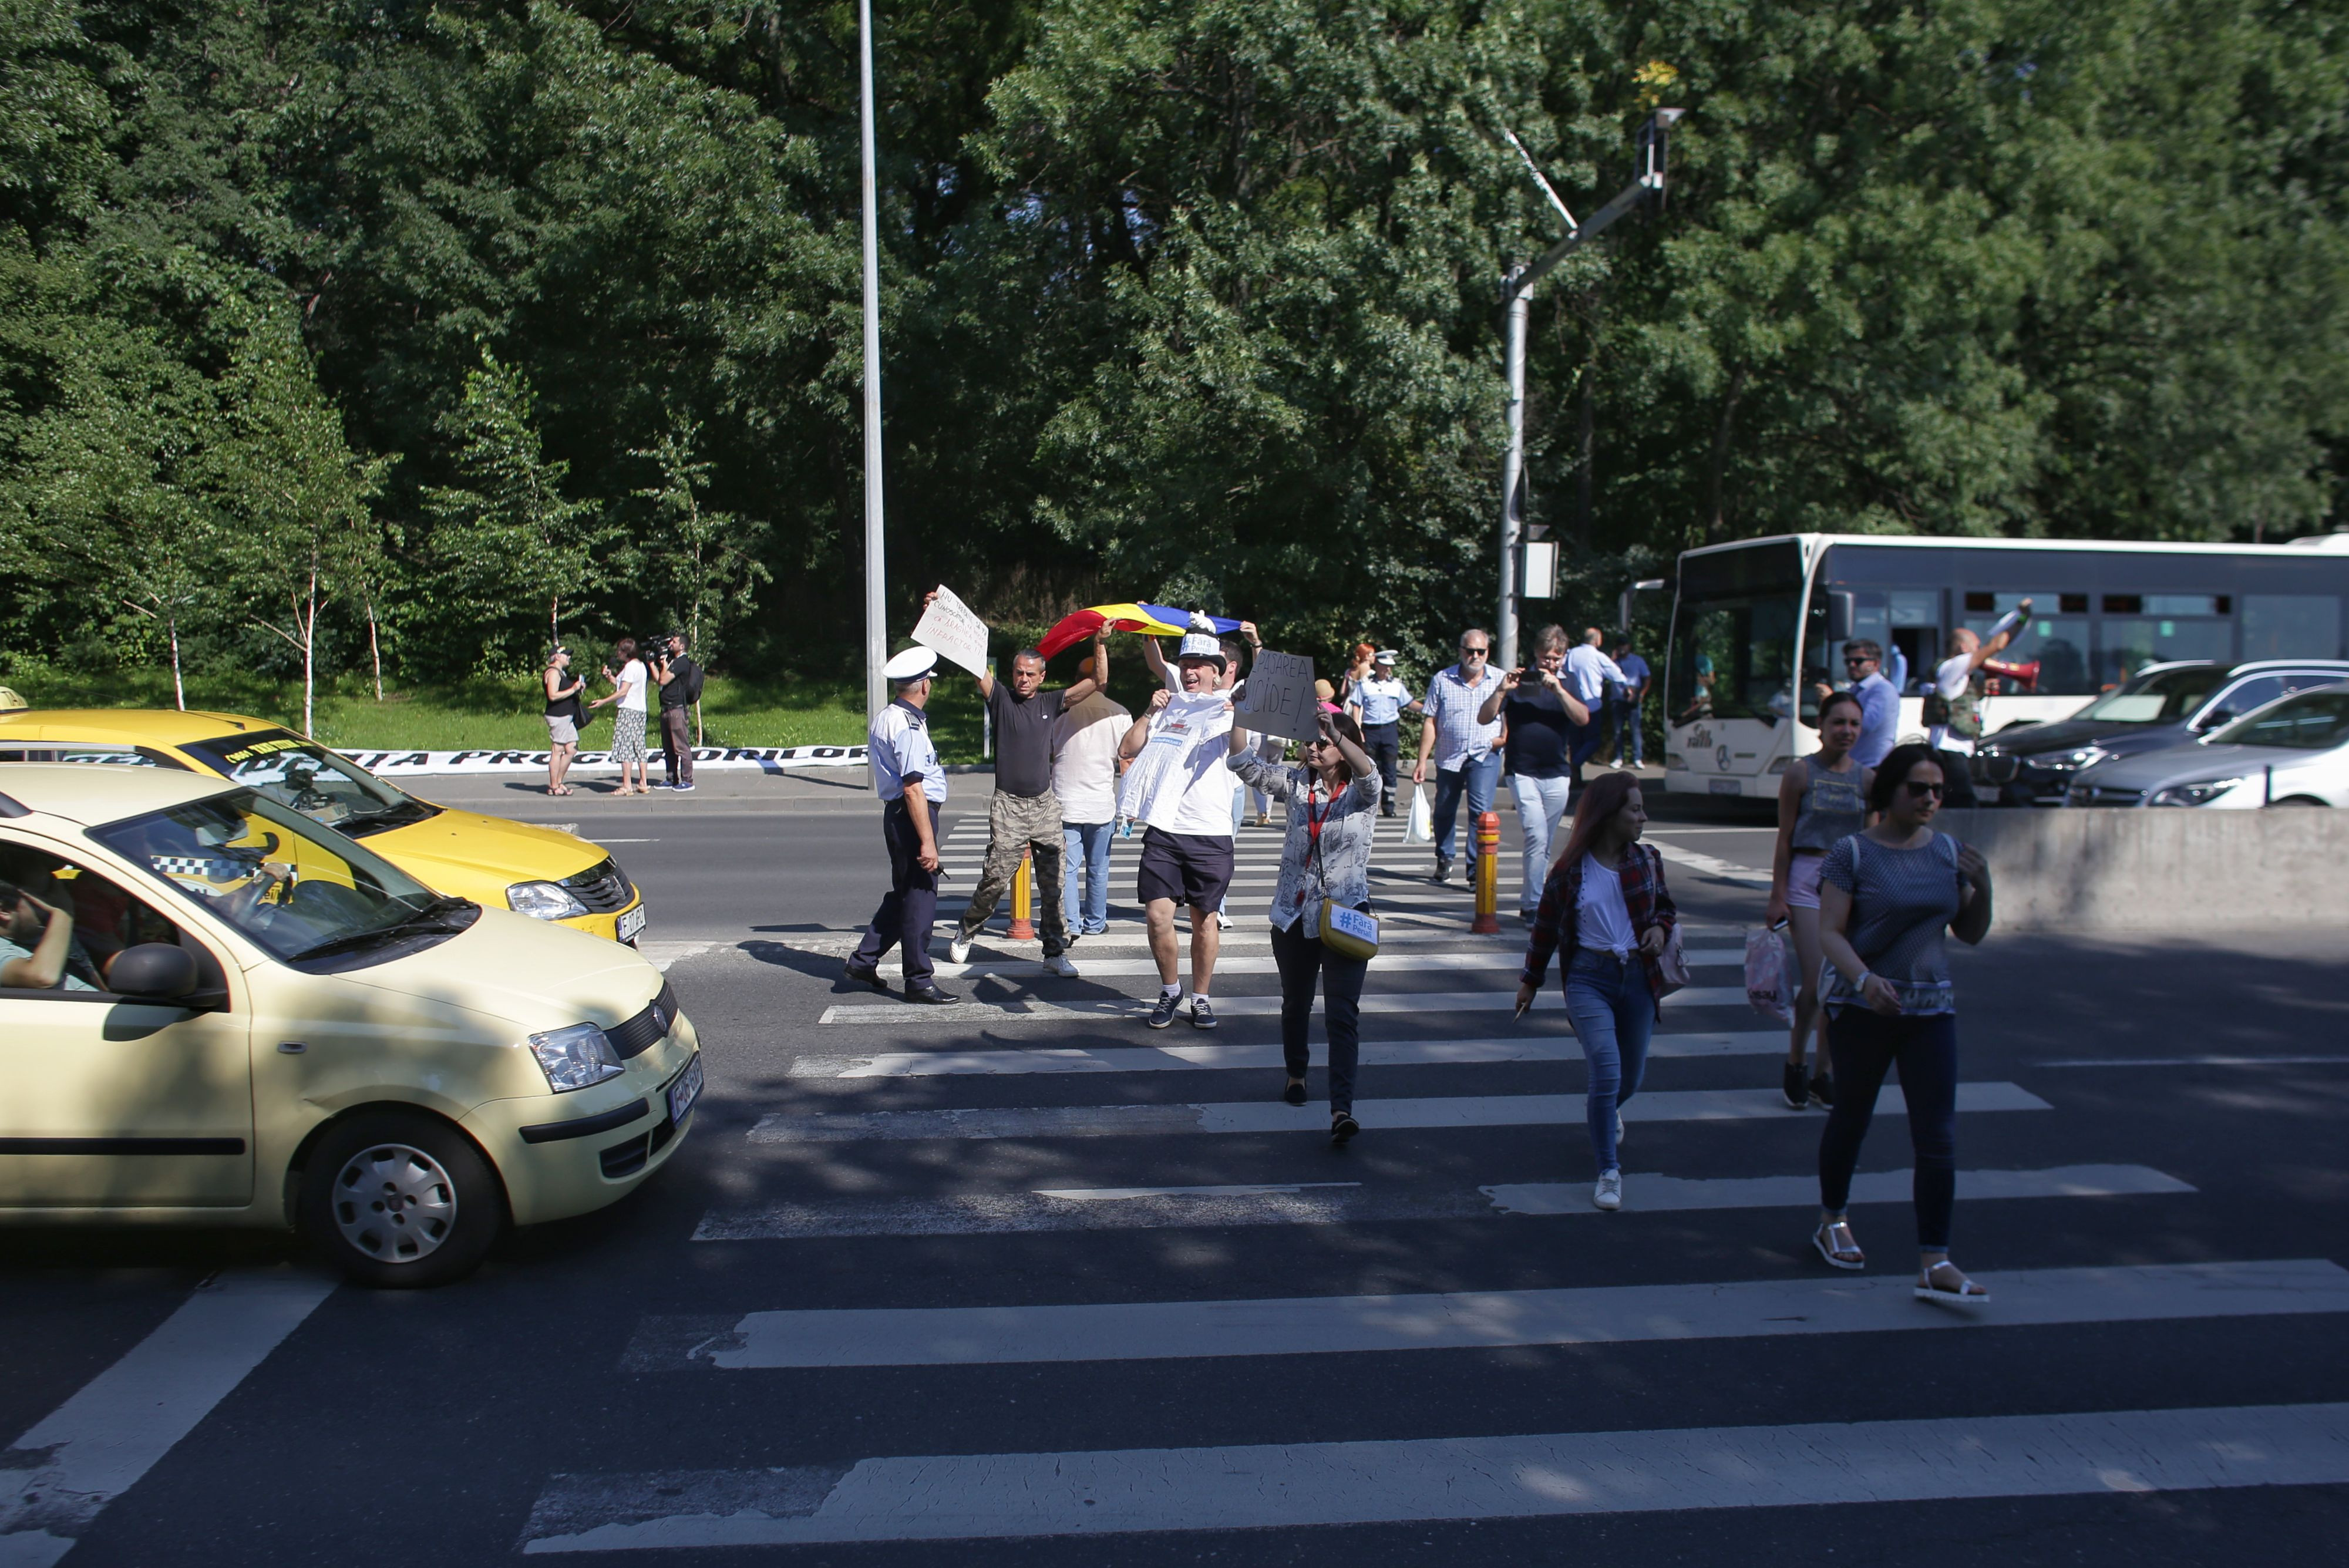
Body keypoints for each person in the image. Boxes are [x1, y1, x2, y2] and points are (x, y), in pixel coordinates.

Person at [1811, 744, 1996, 1304]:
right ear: (1890, 790)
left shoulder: (1949, 853)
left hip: (1930, 1010)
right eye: (1919, 788)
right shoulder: (1852, 853)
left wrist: (1983, 883)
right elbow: (1830, 932)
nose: (1930, 798)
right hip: (1864, 1007)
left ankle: (1934, 1259)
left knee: (1937, 1138)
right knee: (1852, 1119)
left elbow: (1971, 932)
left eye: (1937, 789)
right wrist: (1866, 981)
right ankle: (1832, 1220)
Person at [1514, 771, 1677, 1212]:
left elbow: (1665, 908)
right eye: (1636, 809)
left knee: (1631, 1078)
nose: (1644, 817)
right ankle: (1609, 1170)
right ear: (1609, 815)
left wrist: (1660, 932)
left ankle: (1607, 1112)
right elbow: (1545, 928)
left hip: (1639, 979)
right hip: (1589, 978)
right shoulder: (1569, 872)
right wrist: (1531, 981)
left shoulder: (1647, 859)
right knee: (1606, 1074)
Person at [1228, 707, 1381, 1145]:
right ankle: (1296, 1072)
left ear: (1343, 747)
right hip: (1293, 915)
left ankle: (1341, 1109)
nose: (1313, 748)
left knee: (1342, 1016)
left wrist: (1337, 730)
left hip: (1347, 914)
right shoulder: (1296, 785)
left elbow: (1370, 776)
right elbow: (1243, 764)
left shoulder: (1360, 793)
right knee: (1296, 1003)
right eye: (1310, 741)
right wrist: (1242, 713)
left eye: (1324, 742)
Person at [938, 611, 1108, 977]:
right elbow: (973, 664)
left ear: (1042, 677)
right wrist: (943, 614)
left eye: (1031, 674)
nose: (1024, 679)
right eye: (1019, 672)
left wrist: (1099, 642)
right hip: (1009, 805)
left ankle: (1054, 953)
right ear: (1012, 673)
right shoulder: (1000, 699)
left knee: (1054, 884)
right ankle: (967, 930)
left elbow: (1098, 679)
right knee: (996, 877)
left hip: (1045, 805)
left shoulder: (1051, 703)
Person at [1119, 620, 1244, 1028]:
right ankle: (1171, 990)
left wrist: (1239, 716)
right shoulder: (1169, 705)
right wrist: (1150, 711)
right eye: (1185, 663)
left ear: (1217, 670)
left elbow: (1245, 755)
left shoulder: (1231, 710)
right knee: (1157, 916)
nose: (1190, 671)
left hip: (1210, 831)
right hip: (1164, 829)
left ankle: (1201, 997)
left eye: (1199, 665)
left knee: (1204, 919)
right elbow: (1127, 748)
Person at [1766, 691, 1871, 1111]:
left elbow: (1874, 841)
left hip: (1850, 886)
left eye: (1854, 724)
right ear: (1822, 726)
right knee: (1817, 981)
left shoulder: (1868, 780)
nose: (1846, 731)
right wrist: (1777, 894)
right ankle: (1796, 1060)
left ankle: (1822, 1073)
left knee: (1839, 986)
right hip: (1806, 883)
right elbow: (1785, 837)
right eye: (1838, 723)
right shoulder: (1800, 774)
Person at [845, 648, 958, 1004]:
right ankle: (919, 980)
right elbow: (913, 788)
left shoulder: (888, 716)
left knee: (905, 894)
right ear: (924, 685)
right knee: (921, 896)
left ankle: (864, 960)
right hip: (912, 816)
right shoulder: (908, 726)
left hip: (898, 816)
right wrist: (928, 842)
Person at [1478, 625, 1591, 923]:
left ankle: (1540, 899)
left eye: (1556, 659)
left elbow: (1583, 718)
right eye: (1545, 659)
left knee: (1545, 842)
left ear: (1563, 658)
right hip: (1522, 770)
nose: (1550, 665)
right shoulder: (1520, 682)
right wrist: (1502, 689)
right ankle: (1532, 905)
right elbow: (1484, 717)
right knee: (1536, 834)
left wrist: (1559, 689)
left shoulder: (1568, 683)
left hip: (1557, 773)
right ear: (1536, 655)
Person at [1413, 630, 1503, 883]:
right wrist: (1422, 761)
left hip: (1485, 754)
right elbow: (1430, 721)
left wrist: (1503, 738)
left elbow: (1510, 717)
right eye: (1470, 650)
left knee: (1480, 811)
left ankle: (1475, 869)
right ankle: (1445, 857)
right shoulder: (1443, 679)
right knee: (1444, 808)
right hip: (1449, 755)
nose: (1475, 656)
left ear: (1488, 652)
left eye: (1481, 651)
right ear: (1461, 650)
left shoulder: (1499, 679)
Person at [1924, 600, 2032, 806]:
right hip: (1950, 752)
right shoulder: (1954, 666)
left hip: (1958, 751)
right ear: (1964, 647)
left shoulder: (1955, 674)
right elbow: (1998, 645)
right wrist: (2022, 616)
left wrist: (1981, 690)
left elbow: (1957, 702)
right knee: (1964, 804)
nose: (1980, 651)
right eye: (1976, 647)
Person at [1052, 655, 1129, 944]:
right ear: (1104, 680)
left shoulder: (1059, 711)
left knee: (1067, 869)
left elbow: (1049, 749)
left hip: (1065, 801)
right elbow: (1126, 758)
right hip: (1101, 804)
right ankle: (1096, 922)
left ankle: (1071, 924)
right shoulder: (1120, 714)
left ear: (1077, 680)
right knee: (1099, 868)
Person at [1347, 651, 1419, 815]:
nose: (1388, 670)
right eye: (1386, 666)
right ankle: (1370, 802)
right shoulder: (1365, 685)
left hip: (1389, 729)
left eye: (1390, 667)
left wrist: (1427, 709)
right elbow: (1356, 706)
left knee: (1390, 767)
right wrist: (1358, 728)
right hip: (1370, 729)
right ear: (1378, 665)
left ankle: (1389, 805)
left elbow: (1410, 703)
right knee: (1370, 767)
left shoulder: (1396, 686)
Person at [0, 879, 95, 991]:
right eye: (42, 898)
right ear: (5, 911)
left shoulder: (46, 931)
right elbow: (42, 978)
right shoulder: (60, 919)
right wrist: (63, 913)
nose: (53, 903)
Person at [1561, 628, 1627, 782]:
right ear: (1598, 641)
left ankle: (1575, 777)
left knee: (1575, 742)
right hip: (1591, 705)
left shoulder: (1570, 654)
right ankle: (1575, 765)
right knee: (1594, 740)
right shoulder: (1598, 657)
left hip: (1571, 705)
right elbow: (1618, 676)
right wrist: (1627, 686)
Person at [588, 638, 651, 796]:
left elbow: (623, 691)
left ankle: (627, 785)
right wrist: (610, 677)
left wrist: (603, 701)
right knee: (639, 745)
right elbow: (621, 684)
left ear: (626, 652)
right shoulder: (641, 666)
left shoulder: (630, 667)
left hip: (628, 710)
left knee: (625, 747)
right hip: (640, 710)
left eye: (620, 651)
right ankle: (643, 782)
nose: (617, 653)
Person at [652, 631, 704, 792]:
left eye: (674, 642)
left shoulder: (682, 663)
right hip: (666, 708)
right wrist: (652, 664)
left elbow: (663, 679)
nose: (670, 644)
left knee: (681, 746)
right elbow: (658, 680)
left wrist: (664, 664)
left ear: (682, 646)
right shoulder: (673, 661)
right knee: (668, 747)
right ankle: (671, 778)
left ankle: (688, 780)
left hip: (677, 709)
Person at [1844, 640, 1900, 768]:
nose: (1852, 665)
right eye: (1848, 662)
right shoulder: (1855, 690)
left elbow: (1866, 725)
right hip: (1855, 765)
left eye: (1858, 661)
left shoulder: (1882, 689)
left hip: (1874, 765)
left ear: (1875, 664)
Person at [541, 647, 587, 796]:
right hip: (558, 716)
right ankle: (554, 786)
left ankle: (559, 781)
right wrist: (573, 689)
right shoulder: (553, 673)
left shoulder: (561, 673)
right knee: (558, 749)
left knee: (572, 749)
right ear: (557, 657)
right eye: (566, 655)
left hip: (567, 716)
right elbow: (553, 696)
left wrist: (577, 688)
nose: (569, 658)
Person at [1607, 640, 1651, 768]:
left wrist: (1642, 694)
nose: (1622, 648)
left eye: (1624, 645)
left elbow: (1647, 678)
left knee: (1635, 729)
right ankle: (1619, 757)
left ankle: (1637, 758)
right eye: (1619, 646)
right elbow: (1603, 673)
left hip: (1634, 699)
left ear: (1629, 646)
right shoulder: (1613, 662)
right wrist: (1612, 659)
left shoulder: (1638, 661)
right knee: (1617, 730)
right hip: (1617, 699)